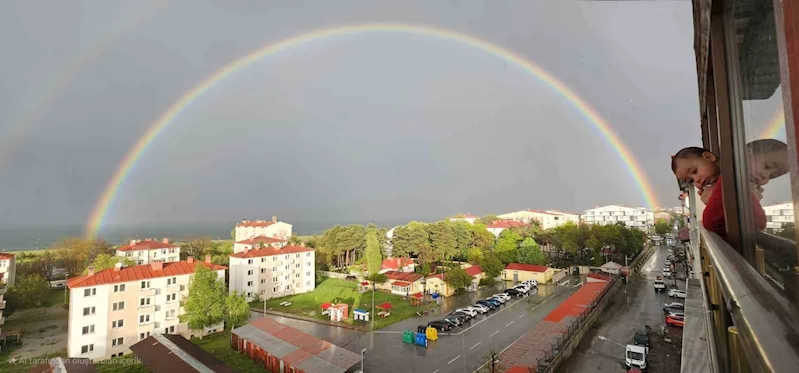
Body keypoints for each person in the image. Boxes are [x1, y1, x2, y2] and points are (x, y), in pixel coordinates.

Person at [671, 147, 766, 239]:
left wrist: (712, 202)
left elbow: (711, 223)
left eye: (695, 171)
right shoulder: (723, 183)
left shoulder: (728, 176)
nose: (697, 180)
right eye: (691, 181)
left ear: (709, 157)